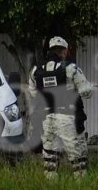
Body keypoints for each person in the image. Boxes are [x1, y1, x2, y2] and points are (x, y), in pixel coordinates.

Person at [28, 36, 94, 179]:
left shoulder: (36, 70)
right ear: (64, 50)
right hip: (67, 118)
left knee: (50, 160)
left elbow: (33, 94)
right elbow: (87, 91)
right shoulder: (71, 69)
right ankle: (81, 189)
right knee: (78, 160)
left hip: (46, 119)